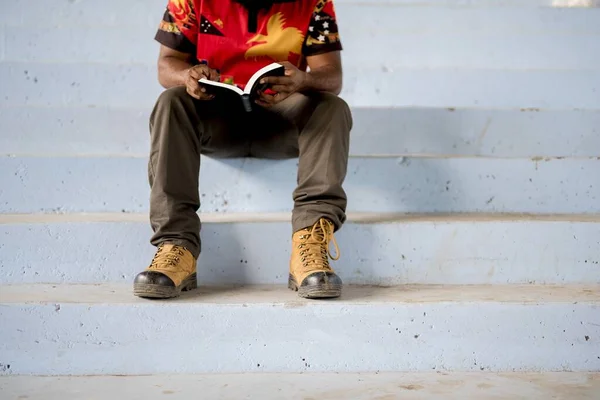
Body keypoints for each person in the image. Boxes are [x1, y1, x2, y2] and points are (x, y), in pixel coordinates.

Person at [133, 0, 352, 300]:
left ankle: (310, 244)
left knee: (332, 108)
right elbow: (166, 63)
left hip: (283, 120)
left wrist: (305, 80)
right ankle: (175, 245)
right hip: (216, 121)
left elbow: (332, 76)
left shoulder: (314, 3)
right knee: (171, 102)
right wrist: (187, 77)